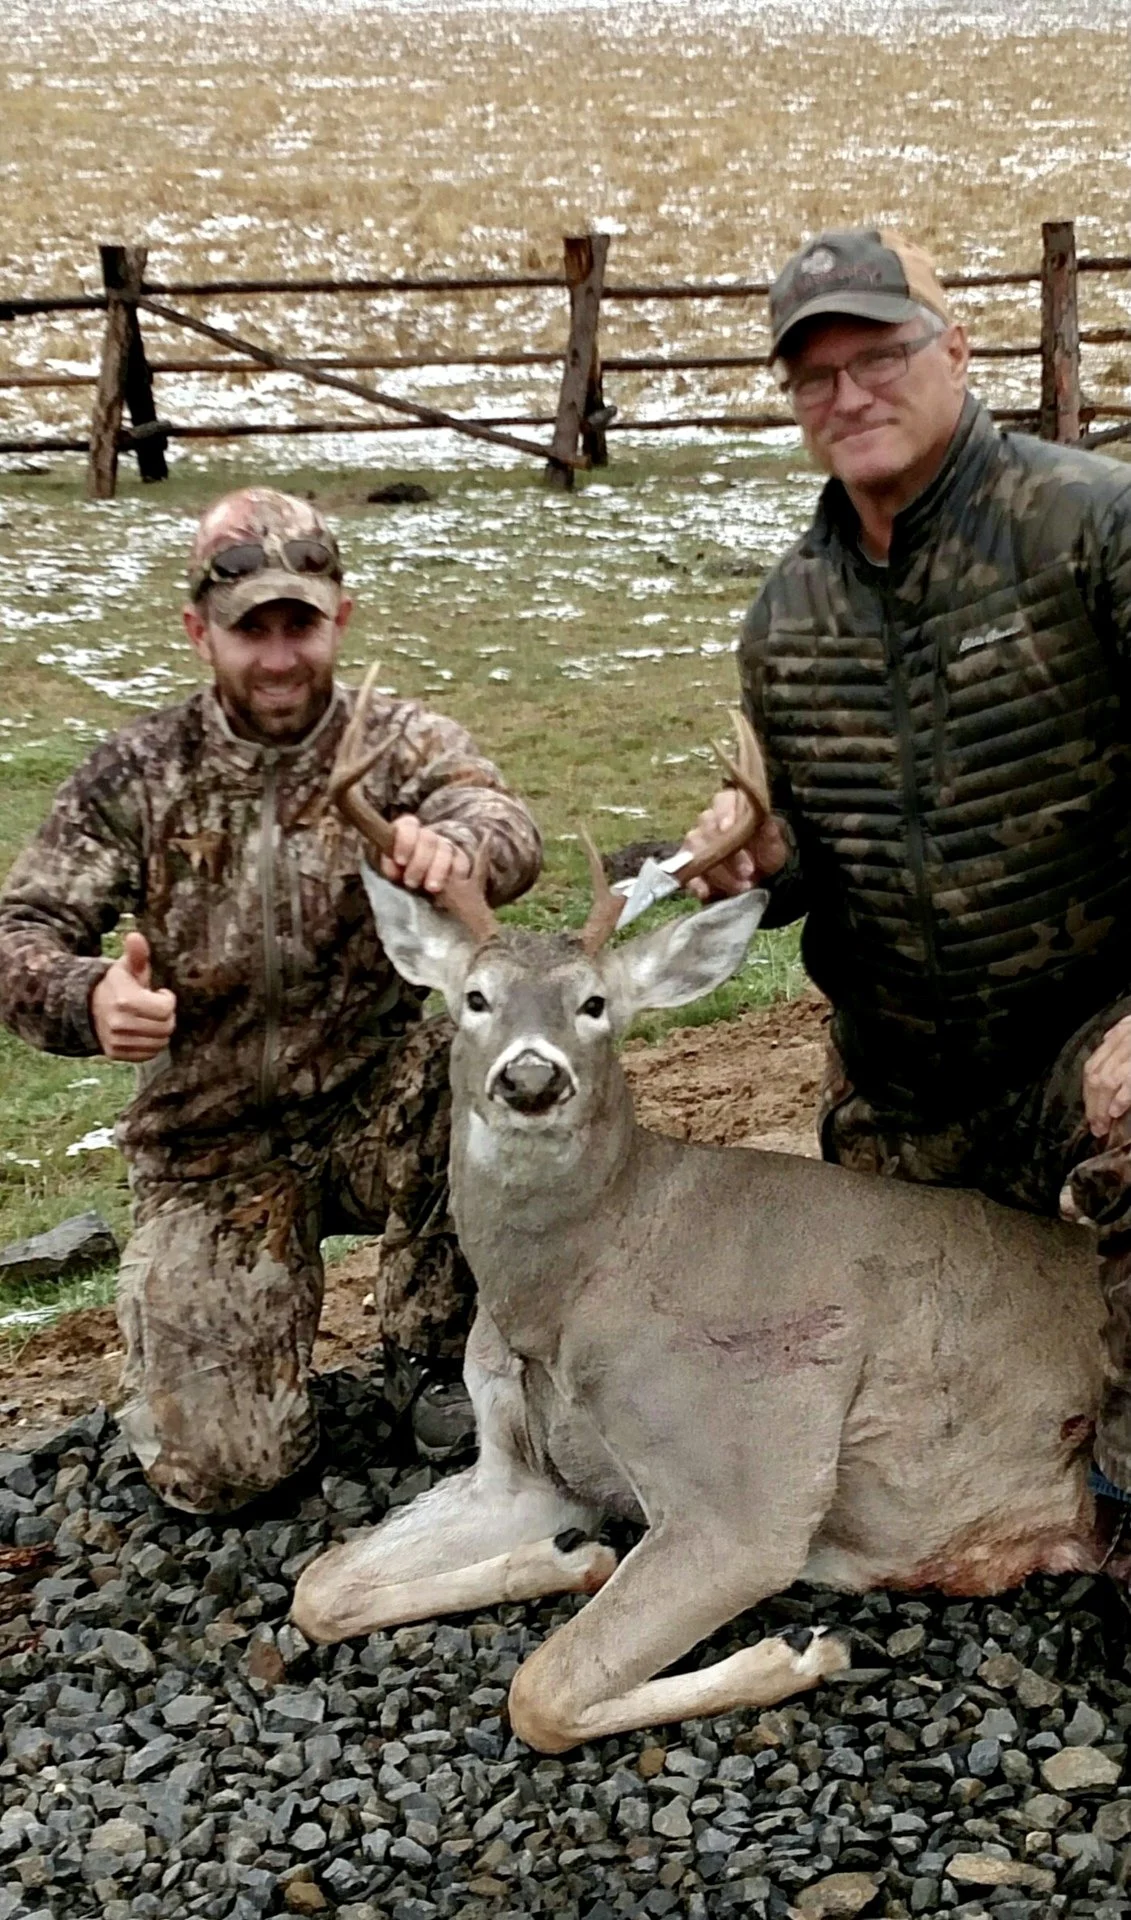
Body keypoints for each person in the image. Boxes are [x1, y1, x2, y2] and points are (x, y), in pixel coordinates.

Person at [684, 227, 1131, 1499]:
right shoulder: (788, 618)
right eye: (815, 377)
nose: (850, 395)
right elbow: (807, 853)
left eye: (878, 355)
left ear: (957, 350)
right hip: (907, 1088)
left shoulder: (1093, 530)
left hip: (1086, 1042)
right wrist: (755, 864)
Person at [0, 487, 541, 1515]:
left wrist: (460, 846)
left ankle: (433, 1353)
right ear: (200, 631)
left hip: (374, 1103)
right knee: (227, 1475)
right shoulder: (141, 775)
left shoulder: (393, 743)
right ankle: (205, 1344)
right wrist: (89, 999)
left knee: (485, 1065)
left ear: (338, 617)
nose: (282, 655)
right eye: (255, 630)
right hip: (212, 1151)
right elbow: (18, 933)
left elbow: (500, 815)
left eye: (301, 625)